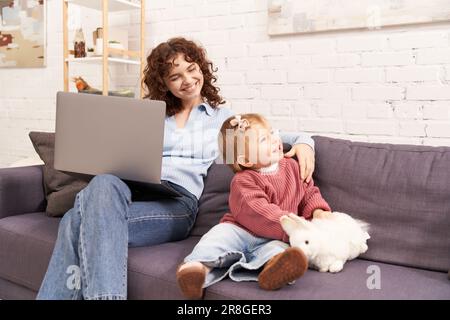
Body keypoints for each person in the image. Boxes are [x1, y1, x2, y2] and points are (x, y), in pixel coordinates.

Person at [37, 37, 316, 300]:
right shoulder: (152, 116)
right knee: (103, 182)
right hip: (132, 193)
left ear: (201, 69)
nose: (187, 80)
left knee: (74, 220)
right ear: (165, 84)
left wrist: (305, 144)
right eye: (175, 76)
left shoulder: (223, 120)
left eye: (191, 70)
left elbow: (275, 136)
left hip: (177, 204)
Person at [176, 113, 333, 299]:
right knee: (217, 238)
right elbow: (259, 210)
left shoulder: (292, 166)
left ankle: (273, 269)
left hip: (277, 237)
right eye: (264, 139)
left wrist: (317, 210)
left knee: (281, 251)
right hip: (241, 230)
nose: (275, 139)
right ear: (246, 161)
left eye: (272, 132)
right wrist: (291, 226)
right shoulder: (243, 181)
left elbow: (309, 192)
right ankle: (196, 269)